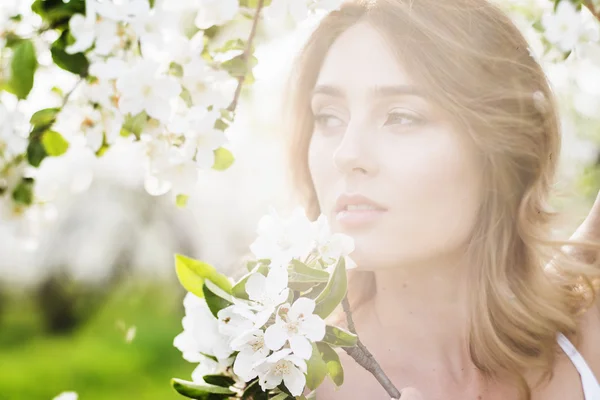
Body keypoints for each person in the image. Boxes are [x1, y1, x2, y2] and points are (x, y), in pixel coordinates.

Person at [281, 0, 600, 399]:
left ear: (499, 146)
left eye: (400, 116)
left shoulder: (584, 337)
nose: (346, 153)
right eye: (329, 117)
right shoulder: (284, 380)